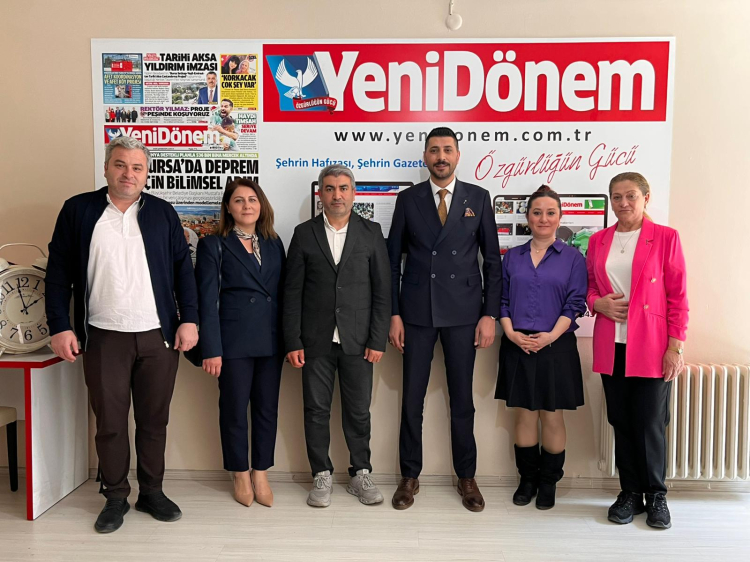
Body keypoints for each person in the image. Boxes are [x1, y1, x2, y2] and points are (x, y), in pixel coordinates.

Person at [45, 136, 199, 533]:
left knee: (154, 421)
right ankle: (115, 496)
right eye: (120, 165)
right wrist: (60, 325)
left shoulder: (163, 213)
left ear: (146, 174)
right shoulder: (78, 210)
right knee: (110, 423)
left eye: (136, 167)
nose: (128, 173)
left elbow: (183, 270)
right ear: (106, 168)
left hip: (158, 336)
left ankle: (152, 492)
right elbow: (58, 272)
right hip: (103, 335)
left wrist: (190, 319)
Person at [387, 127, 502, 512]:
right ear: (425, 156)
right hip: (416, 313)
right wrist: (394, 313)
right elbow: (392, 262)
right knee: (412, 400)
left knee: (462, 400)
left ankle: (466, 476)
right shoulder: (408, 200)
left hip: (464, 313)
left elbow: (492, 262)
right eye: (434, 150)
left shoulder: (478, 197)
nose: (441, 156)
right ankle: (409, 476)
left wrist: (489, 314)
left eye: (447, 150)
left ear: (457, 155)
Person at [283, 164, 390, 508]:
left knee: (358, 412)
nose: (337, 195)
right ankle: (321, 473)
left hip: (359, 342)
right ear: (321, 194)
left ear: (354, 194)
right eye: (329, 188)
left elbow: (382, 291)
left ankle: (361, 472)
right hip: (314, 341)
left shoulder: (371, 232)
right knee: (315, 410)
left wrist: (377, 339)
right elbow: (292, 292)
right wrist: (293, 340)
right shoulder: (304, 234)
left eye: (343, 188)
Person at [586, 172, 688, 529]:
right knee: (621, 420)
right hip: (610, 343)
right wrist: (597, 303)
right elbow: (589, 287)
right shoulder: (598, 240)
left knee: (650, 423)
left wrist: (675, 347)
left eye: (631, 195)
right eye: (617, 197)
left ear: (646, 197)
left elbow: (678, 296)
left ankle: (656, 495)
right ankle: (629, 492)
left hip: (652, 345)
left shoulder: (666, 237)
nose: (623, 203)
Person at [495, 185, 587, 510]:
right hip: (517, 344)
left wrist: (549, 336)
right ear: (527, 217)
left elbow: (575, 304)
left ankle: (548, 482)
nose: (543, 218)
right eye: (537, 212)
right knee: (524, 414)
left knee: (551, 415)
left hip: (556, 346)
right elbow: (502, 300)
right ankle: (527, 480)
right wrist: (510, 333)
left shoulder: (573, 258)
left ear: (560, 217)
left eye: (550, 213)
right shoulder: (513, 257)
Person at [195, 179, 285, 508]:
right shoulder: (213, 245)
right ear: (228, 208)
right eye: (239, 200)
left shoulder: (274, 242)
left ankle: (261, 472)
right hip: (232, 342)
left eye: (252, 199)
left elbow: (283, 293)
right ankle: (239, 472)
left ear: (261, 205)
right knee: (234, 410)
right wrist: (211, 348)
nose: (247, 205)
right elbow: (207, 301)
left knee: (267, 409)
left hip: (271, 340)